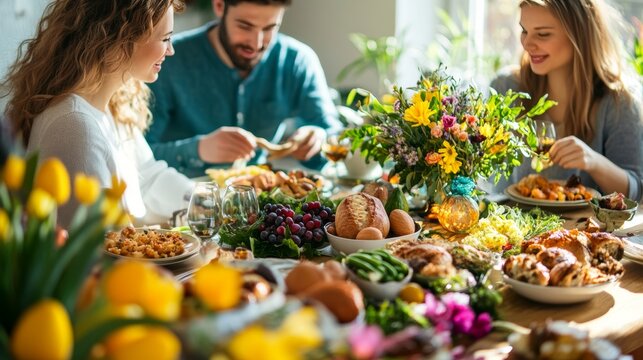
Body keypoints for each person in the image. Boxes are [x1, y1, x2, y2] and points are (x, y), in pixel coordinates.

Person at [3, 0, 192, 226]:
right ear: (123, 37)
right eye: (164, 39)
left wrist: (213, 202)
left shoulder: (114, 103)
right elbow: (104, 247)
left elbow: (149, 177)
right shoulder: (74, 126)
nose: (170, 50)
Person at [146, 0, 340, 178]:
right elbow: (136, 155)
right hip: (183, 201)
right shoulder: (167, 60)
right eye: (245, 26)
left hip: (261, 205)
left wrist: (318, 140)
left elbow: (335, 136)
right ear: (220, 6)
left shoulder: (298, 61)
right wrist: (199, 149)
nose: (256, 44)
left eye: (270, 28)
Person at [490, 0, 643, 201]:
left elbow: (635, 193)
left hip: (586, 230)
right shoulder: (506, 88)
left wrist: (593, 161)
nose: (527, 44)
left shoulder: (618, 100)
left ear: (579, 36)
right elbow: (495, 187)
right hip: (517, 228)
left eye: (543, 34)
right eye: (524, 31)